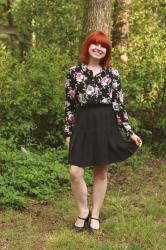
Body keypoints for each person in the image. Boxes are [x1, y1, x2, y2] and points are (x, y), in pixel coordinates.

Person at [64, 31, 142, 233]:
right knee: (75, 171)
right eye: (95, 44)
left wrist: (129, 131)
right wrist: (68, 132)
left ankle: (95, 214)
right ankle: (83, 212)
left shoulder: (112, 73)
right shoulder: (74, 72)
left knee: (100, 171)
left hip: (105, 122)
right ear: (88, 46)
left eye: (103, 46)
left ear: (106, 51)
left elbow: (119, 104)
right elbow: (69, 105)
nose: (98, 48)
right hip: (82, 123)